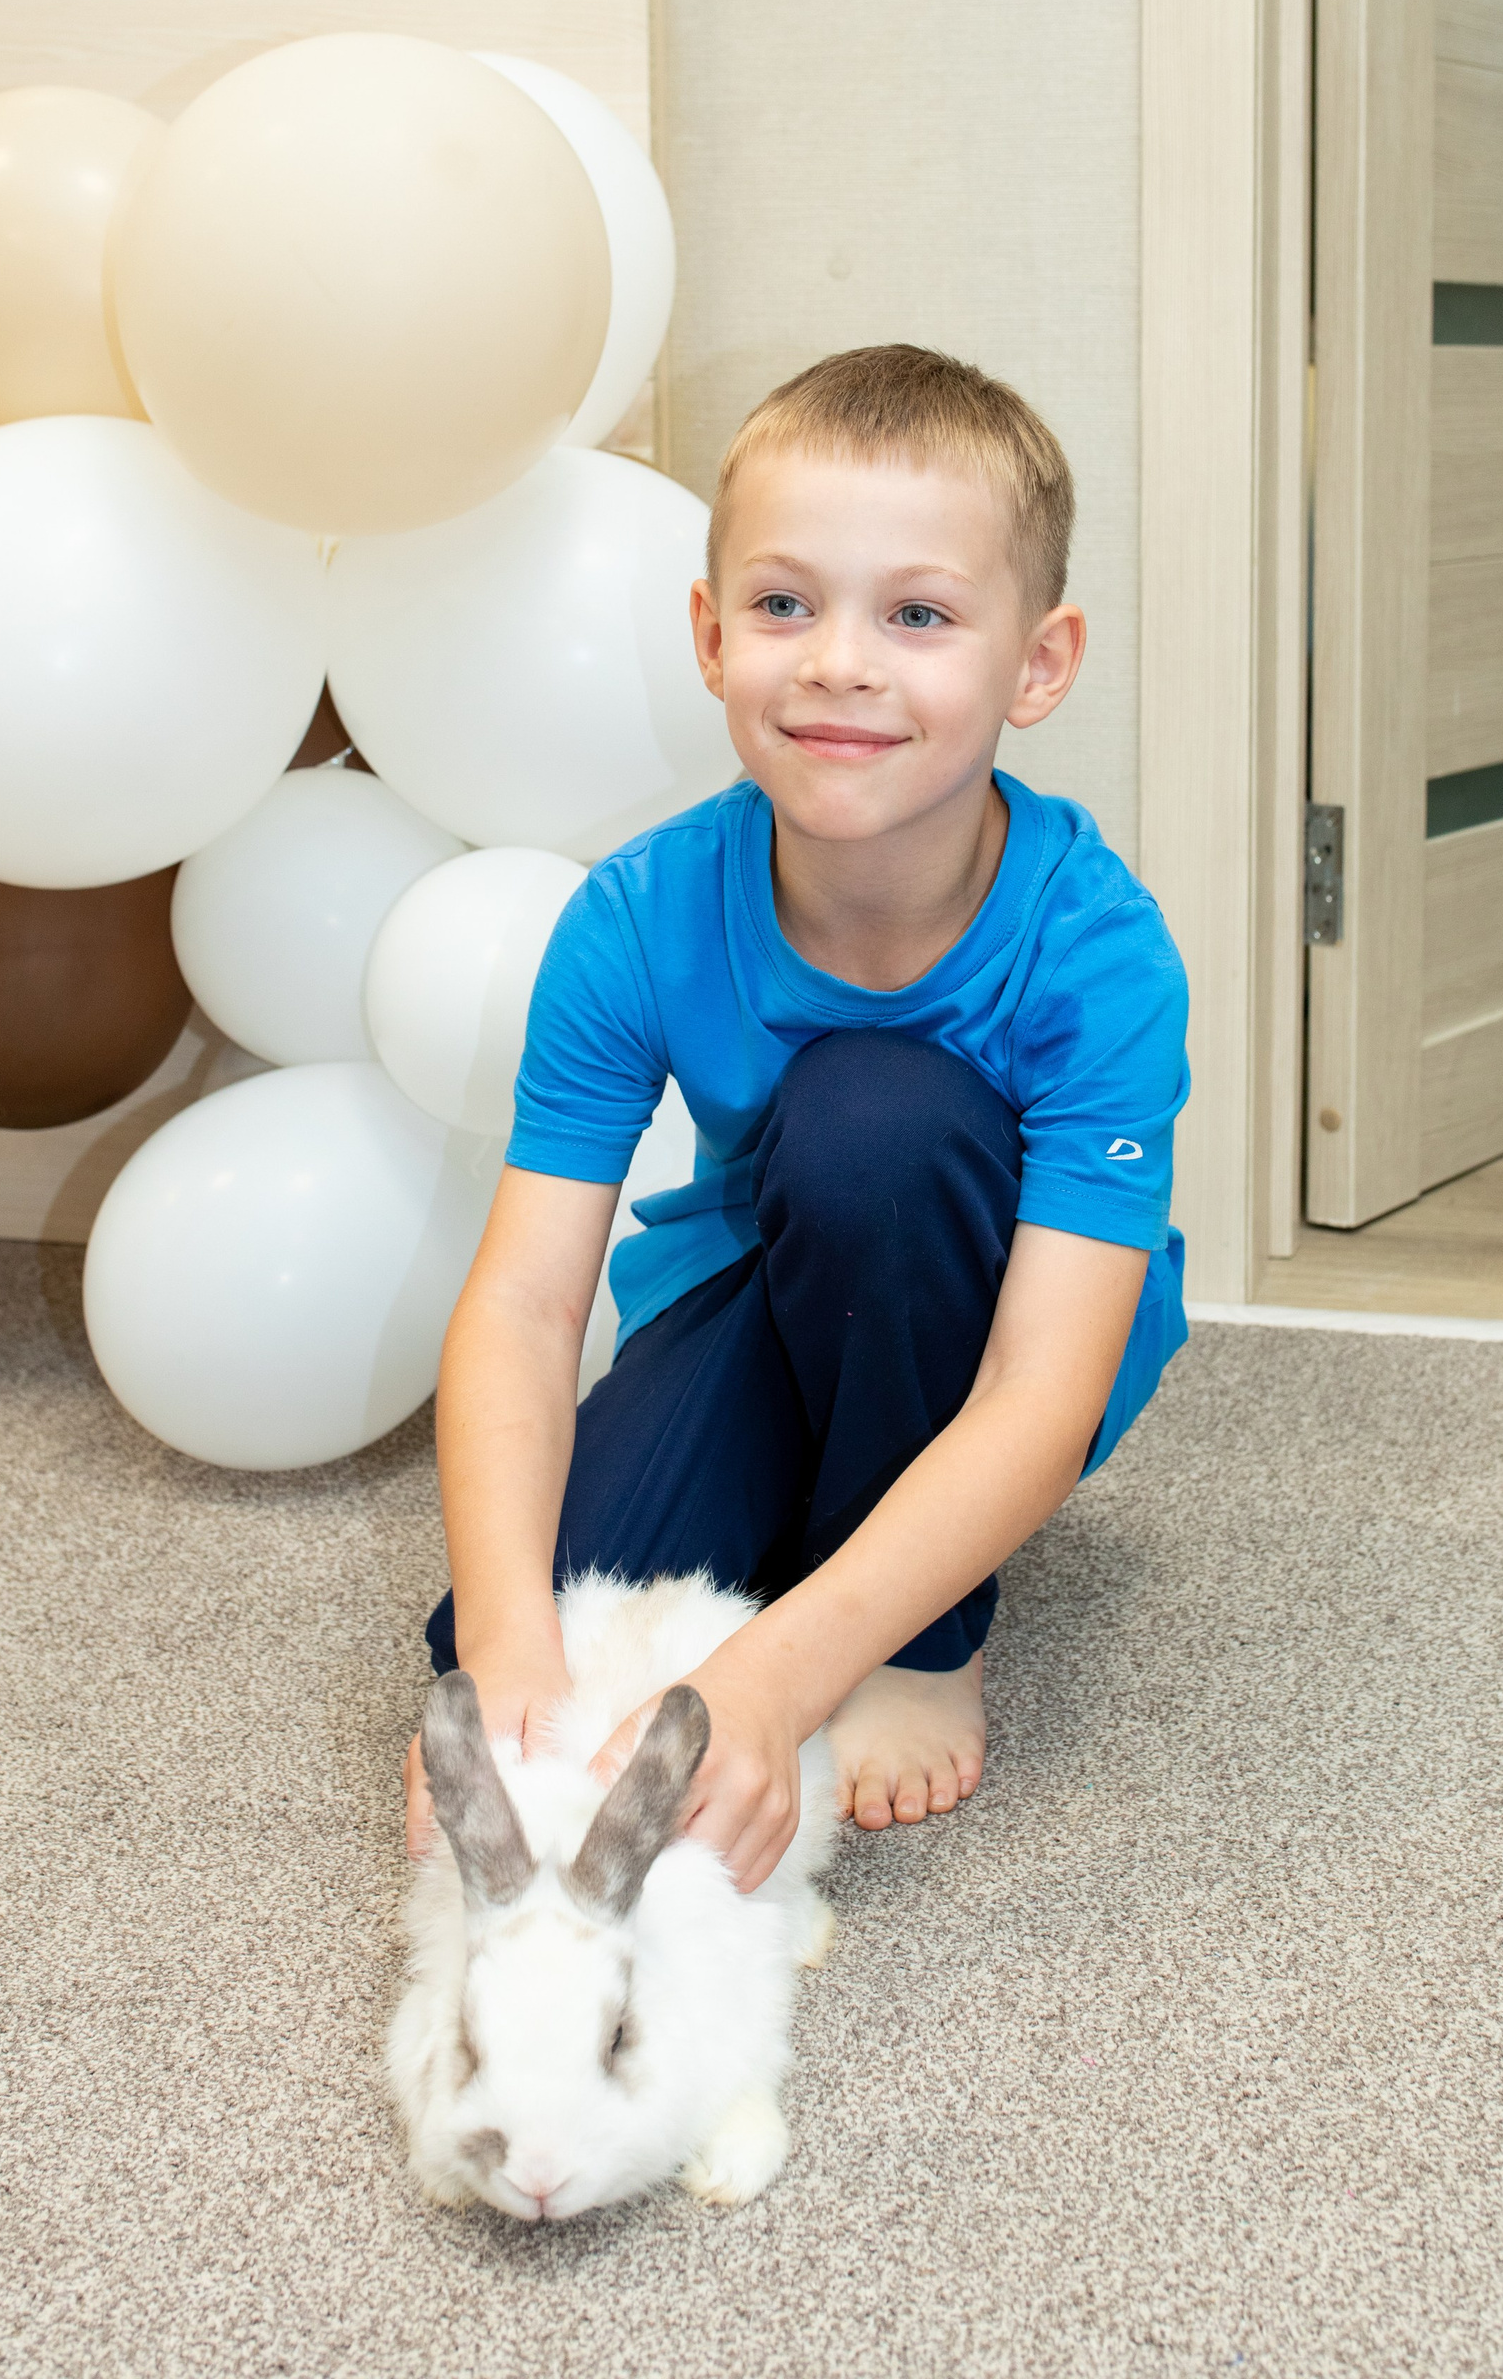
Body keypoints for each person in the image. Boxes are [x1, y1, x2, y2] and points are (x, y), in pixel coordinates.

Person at [403, 342, 1189, 1895]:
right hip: (760, 1290)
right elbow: (527, 1301)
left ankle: (925, 1633)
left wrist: (782, 1677)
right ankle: (820, 1531)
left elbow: (1041, 1390)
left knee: (876, 1117)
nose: (838, 662)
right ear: (711, 638)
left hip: (1000, 1321)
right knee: (566, 1628)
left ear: (1039, 664)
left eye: (918, 615)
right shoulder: (634, 916)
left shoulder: (1100, 954)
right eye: (783, 605)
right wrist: (501, 1639)